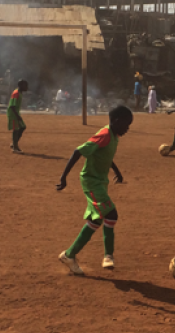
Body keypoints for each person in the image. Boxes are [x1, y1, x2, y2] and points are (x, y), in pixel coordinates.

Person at [56, 106, 134, 274]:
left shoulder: (114, 136)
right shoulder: (105, 135)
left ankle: (69, 255)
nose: (128, 129)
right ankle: (108, 256)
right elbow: (78, 151)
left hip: (100, 181)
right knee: (111, 214)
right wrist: (64, 177)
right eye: (126, 125)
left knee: (96, 221)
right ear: (117, 121)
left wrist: (117, 172)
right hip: (91, 182)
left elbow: (106, 155)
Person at [8, 80, 28, 154]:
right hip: (13, 113)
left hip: (16, 113)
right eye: (25, 86)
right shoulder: (16, 93)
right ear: (21, 85)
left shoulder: (19, 93)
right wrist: (17, 116)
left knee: (22, 127)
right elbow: (12, 106)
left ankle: (14, 143)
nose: (27, 87)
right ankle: (15, 148)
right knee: (16, 129)